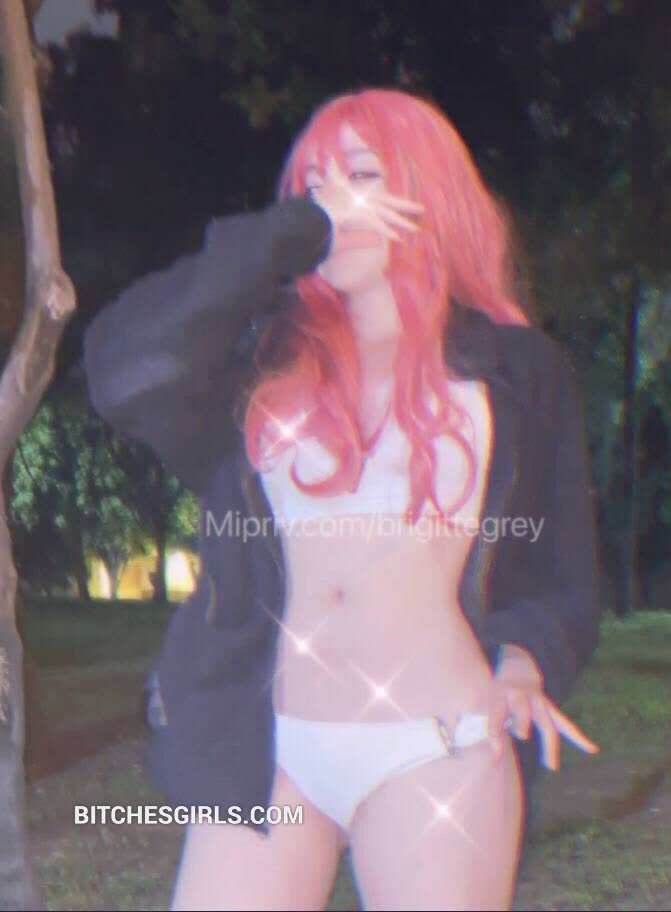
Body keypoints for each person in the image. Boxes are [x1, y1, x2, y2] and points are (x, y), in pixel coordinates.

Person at [83, 87, 602, 911]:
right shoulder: (260, 364)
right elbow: (123, 371)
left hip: (436, 747)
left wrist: (526, 660)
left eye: (362, 176)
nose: (335, 202)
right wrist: (290, 235)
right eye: (314, 185)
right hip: (271, 756)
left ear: (426, 194)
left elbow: (563, 573)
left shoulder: (516, 372)